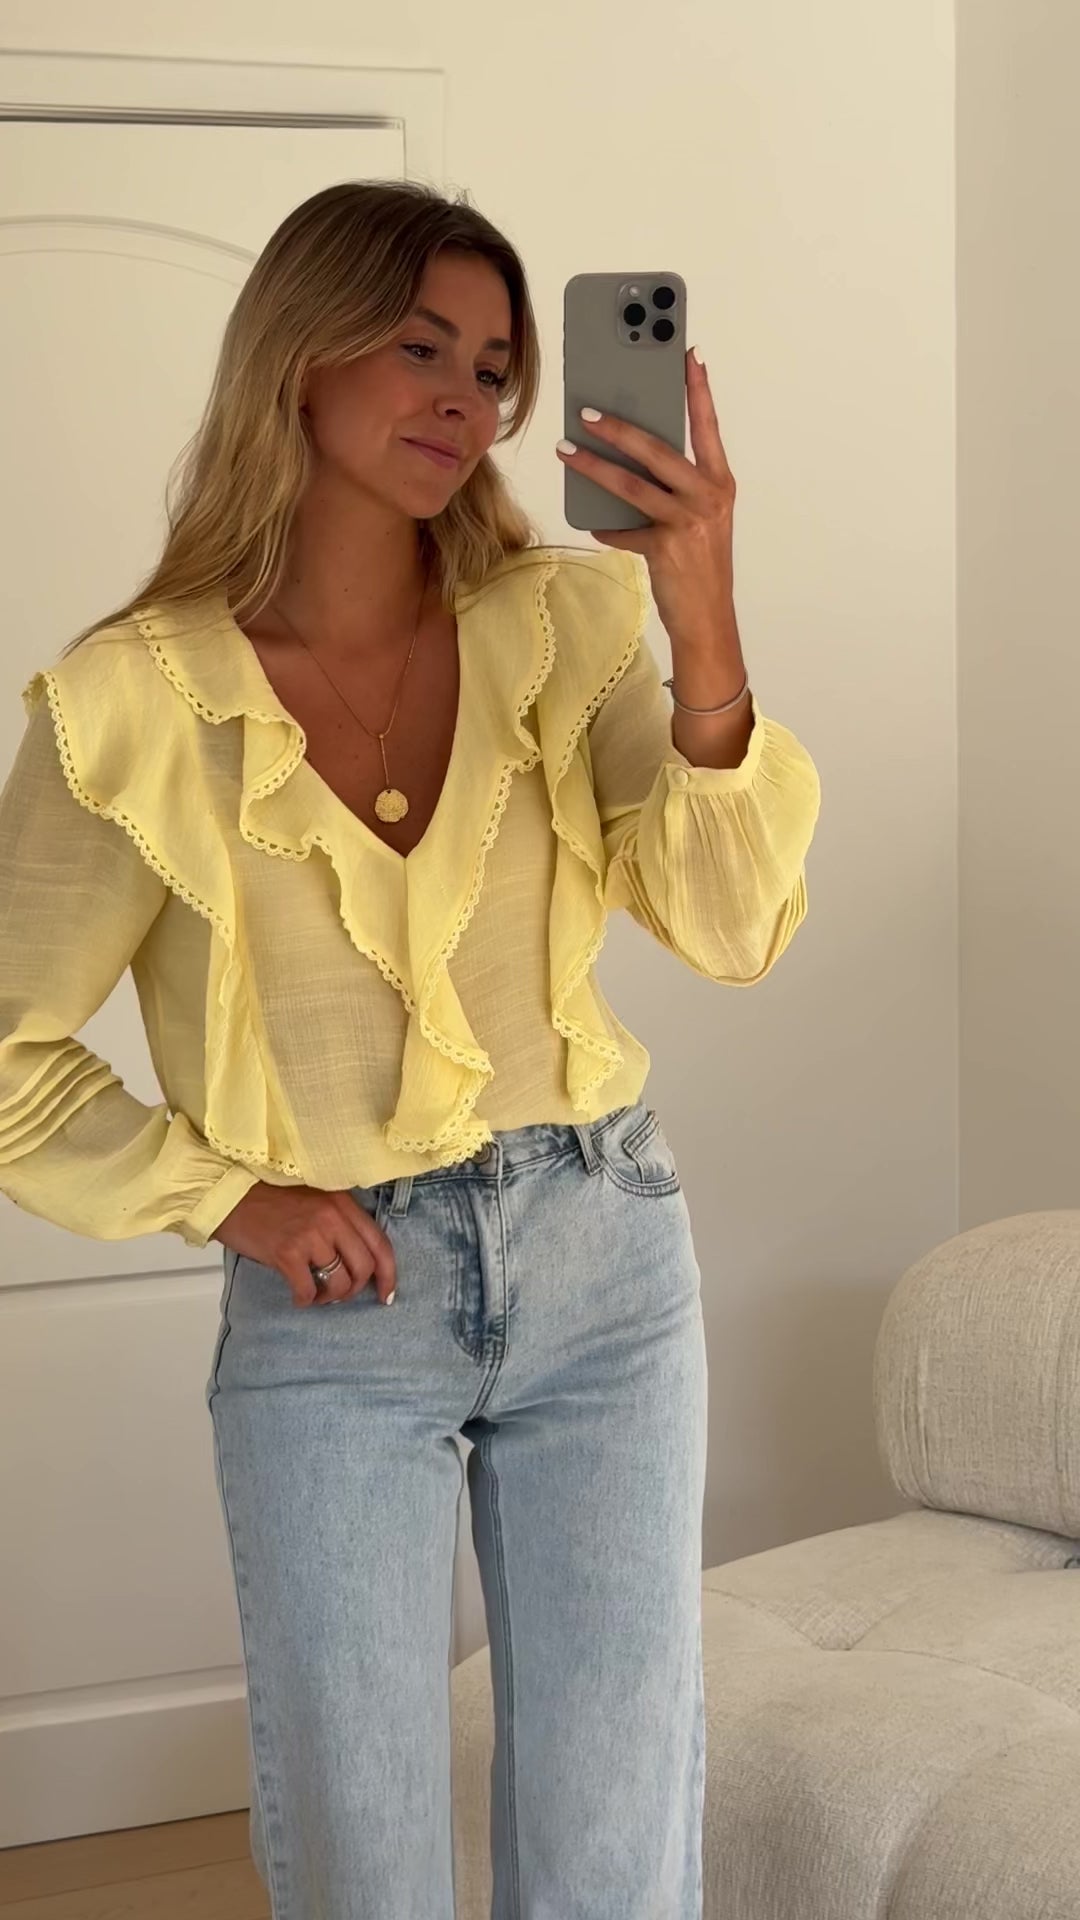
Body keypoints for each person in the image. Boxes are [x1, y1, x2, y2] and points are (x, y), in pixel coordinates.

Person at [0, 181, 820, 1917]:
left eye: (497, 367)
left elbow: (732, 927)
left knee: (612, 1847)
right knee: (363, 1850)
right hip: (334, 1312)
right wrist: (228, 1198)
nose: (467, 396)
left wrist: (706, 622)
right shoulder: (137, 704)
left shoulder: (562, 627)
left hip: (604, 1258)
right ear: (297, 356)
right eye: (419, 347)